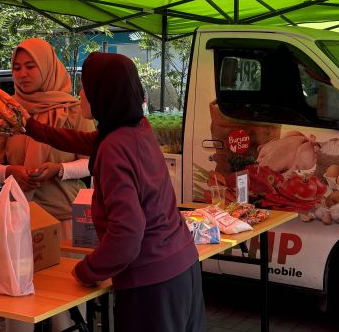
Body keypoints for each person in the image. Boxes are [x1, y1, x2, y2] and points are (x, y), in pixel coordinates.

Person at [19, 52, 204, 331]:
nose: (80, 93)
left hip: (151, 284)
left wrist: (88, 269)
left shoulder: (115, 148)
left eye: (86, 87)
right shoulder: (136, 129)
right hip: (182, 267)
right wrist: (31, 127)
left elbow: (128, 232)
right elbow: (83, 140)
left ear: (103, 94)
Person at [0, 38, 94, 243]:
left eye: (30, 66)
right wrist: (10, 171)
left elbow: (92, 162)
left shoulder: (73, 110)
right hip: (17, 217)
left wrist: (59, 169)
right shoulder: (7, 112)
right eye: (16, 68)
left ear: (47, 67)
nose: (22, 73)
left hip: (64, 218)